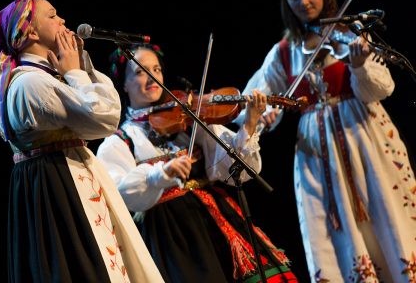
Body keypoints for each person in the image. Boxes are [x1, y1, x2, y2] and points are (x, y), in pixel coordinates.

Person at [235, 0, 416, 282]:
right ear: (286, 2)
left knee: (387, 212)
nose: (303, 2)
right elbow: (255, 100)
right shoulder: (285, 51)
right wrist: (262, 112)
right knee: (333, 230)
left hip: (365, 134)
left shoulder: (349, 34)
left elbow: (381, 88)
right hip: (317, 151)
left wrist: (359, 66)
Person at [0, 0, 165, 283]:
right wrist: (77, 72)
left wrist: (77, 68)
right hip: (58, 188)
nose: (63, 20)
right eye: (53, 15)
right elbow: (103, 118)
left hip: (70, 176)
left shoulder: (47, 75)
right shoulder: (29, 84)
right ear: (29, 32)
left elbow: (103, 113)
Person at [96, 43, 298, 283]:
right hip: (172, 235)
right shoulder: (120, 141)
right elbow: (120, 195)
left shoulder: (189, 118)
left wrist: (250, 124)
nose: (152, 76)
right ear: (124, 84)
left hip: (217, 218)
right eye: (140, 71)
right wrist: (158, 175)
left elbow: (237, 171)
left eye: (156, 69)